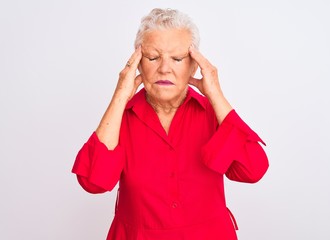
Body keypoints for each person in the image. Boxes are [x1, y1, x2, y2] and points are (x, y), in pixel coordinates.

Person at [72, 8, 269, 240]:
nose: (164, 68)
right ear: (138, 65)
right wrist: (119, 97)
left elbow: (252, 171)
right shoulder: (120, 118)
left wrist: (215, 93)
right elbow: (93, 182)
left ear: (194, 66)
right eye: (153, 58)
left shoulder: (213, 114)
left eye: (177, 59)